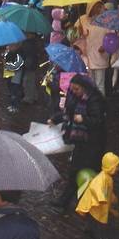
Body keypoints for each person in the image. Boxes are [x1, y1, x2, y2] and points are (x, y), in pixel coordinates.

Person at [49, 74, 107, 212]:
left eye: (77, 89)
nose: (74, 92)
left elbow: (98, 121)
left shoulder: (95, 100)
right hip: (81, 142)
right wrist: (55, 119)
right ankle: (67, 200)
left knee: (86, 171)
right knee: (75, 170)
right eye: (72, 89)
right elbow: (68, 113)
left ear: (84, 88)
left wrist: (84, 119)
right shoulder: (76, 98)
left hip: (93, 143)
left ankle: (85, 201)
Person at [75, 152, 119, 239]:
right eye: (116, 167)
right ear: (110, 167)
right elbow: (96, 189)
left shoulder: (107, 178)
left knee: (93, 219)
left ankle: (89, 229)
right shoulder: (102, 178)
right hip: (97, 205)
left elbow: (108, 191)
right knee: (99, 224)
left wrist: (113, 198)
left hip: (95, 205)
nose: (118, 169)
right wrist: (102, 199)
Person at [77, 1, 109, 95]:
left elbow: (111, 37)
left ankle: (100, 106)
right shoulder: (83, 20)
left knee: (100, 84)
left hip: (100, 56)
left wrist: (105, 46)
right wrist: (80, 34)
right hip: (87, 57)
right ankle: (90, 105)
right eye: (96, 7)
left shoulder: (106, 21)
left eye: (100, 7)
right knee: (89, 84)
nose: (99, 9)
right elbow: (76, 38)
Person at [2, 44, 25, 114]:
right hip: (10, 75)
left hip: (16, 77)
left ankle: (15, 106)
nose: (10, 47)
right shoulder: (9, 52)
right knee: (11, 90)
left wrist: (7, 64)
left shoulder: (20, 54)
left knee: (15, 92)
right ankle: (12, 105)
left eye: (12, 46)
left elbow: (17, 65)